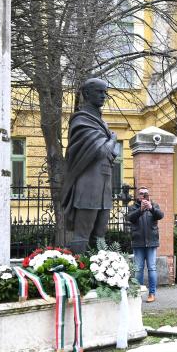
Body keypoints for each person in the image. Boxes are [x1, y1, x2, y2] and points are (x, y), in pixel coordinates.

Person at [61, 78, 120, 254]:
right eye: (99, 92)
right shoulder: (81, 120)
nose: (104, 96)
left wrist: (110, 144)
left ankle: (100, 274)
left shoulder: (101, 123)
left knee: (100, 235)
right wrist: (113, 140)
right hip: (88, 185)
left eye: (105, 92)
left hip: (104, 184)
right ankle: (79, 273)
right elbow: (101, 151)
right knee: (82, 235)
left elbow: (111, 154)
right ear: (87, 94)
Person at [126, 186, 164, 303]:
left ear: (148, 195)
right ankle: (138, 294)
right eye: (141, 193)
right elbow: (130, 218)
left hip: (151, 242)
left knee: (152, 268)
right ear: (138, 196)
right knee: (138, 270)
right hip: (138, 243)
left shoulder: (154, 205)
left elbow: (160, 215)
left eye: (145, 193)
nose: (143, 195)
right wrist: (141, 210)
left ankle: (152, 293)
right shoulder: (133, 207)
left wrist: (151, 208)